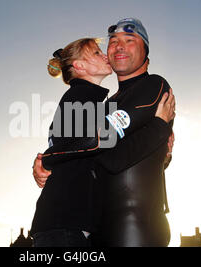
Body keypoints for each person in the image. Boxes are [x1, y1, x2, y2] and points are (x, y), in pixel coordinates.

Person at [33, 18, 176, 247]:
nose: (119, 46)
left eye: (129, 40)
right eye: (113, 41)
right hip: (91, 231)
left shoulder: (154, 86)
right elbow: (102, 154)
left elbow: (110, 156)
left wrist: (49, 158)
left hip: (136, 229)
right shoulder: (103, 104)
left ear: (145, 53)